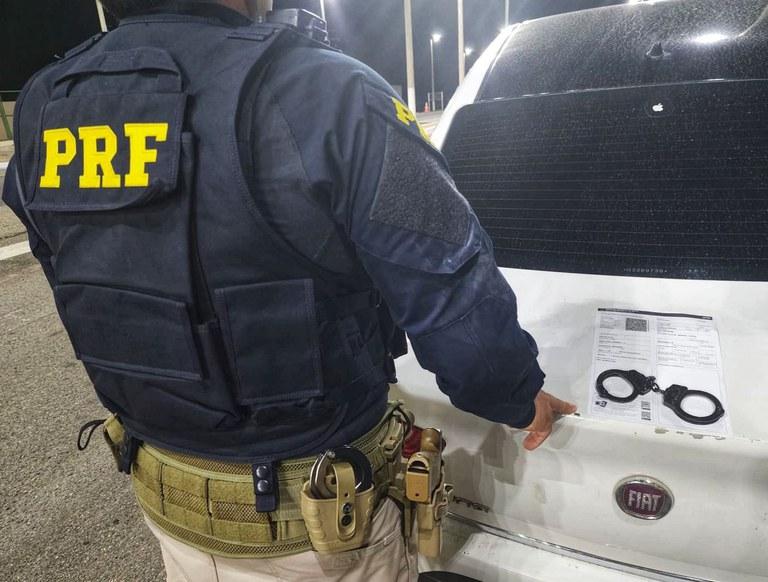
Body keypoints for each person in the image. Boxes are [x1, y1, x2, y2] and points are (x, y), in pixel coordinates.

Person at [2, 0, 577, 580]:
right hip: (322, 530)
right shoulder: (325, 91)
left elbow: (64, 272)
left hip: (168, 505)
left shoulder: (45, 102)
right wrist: (519, 396)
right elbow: (455, 305)